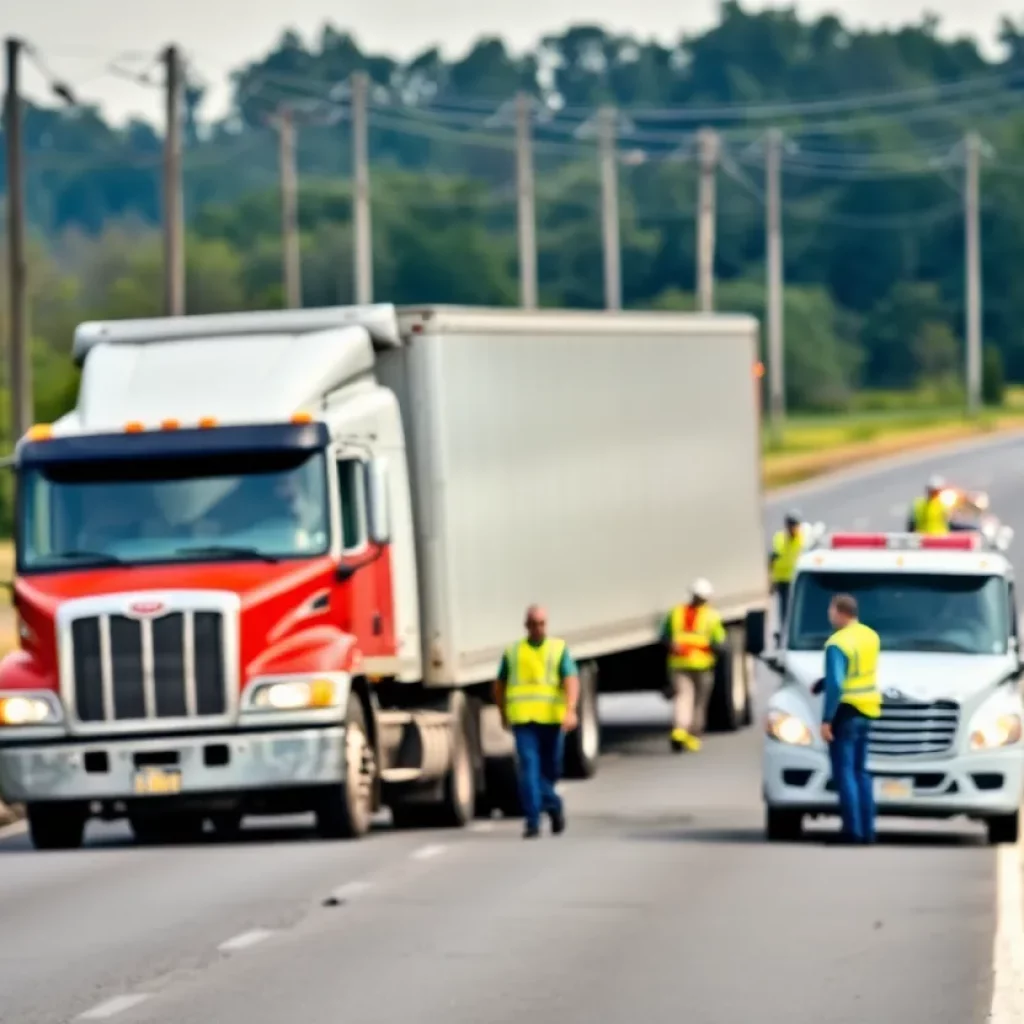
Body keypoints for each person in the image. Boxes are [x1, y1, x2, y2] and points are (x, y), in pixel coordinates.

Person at [494, 605, 580, 839]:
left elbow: (571, 678)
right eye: (533, 623)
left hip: (552, 720)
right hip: (524, 722)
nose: (538, 628)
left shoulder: (557, 648)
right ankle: (532, 821)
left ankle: (553, 805)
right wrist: (502, 711)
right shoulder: (513, 652)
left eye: (542, 623)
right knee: (529, 770)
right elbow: (499, 683)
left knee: (551, 771)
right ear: (526, 625)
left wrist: (570, 710)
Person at [820, 593, 882, 845]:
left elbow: (836, 683)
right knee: (861, 772)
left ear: (841, 612)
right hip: (867, 709)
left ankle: (851, 830)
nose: (829, 615)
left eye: (831, 610)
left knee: (844, 772)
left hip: (845, 711)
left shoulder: (838, 642)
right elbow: (858, 670)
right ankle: (867, 830)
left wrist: (826, 719)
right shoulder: (870, 635)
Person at [661, 578, 727, 753]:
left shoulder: (675, 612)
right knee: (699, 701)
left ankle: (679, 730)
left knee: (682, 697)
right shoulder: (712, 616)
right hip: (702, 665)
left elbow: (664, 636)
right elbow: (719, 642)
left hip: (678, 663)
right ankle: (693, 735)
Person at [769, 510, 805, 628]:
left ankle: (793, 627)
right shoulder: (780, 539)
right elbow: (772, 559)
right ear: (787, 526)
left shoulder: (801, 538)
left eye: (796, 525)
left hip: (795, 578)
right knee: (784, 608)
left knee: (796, 607)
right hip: (781, 579)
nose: (795, 528)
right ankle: (784, 629)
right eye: (793, 526)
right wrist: (771, 581)